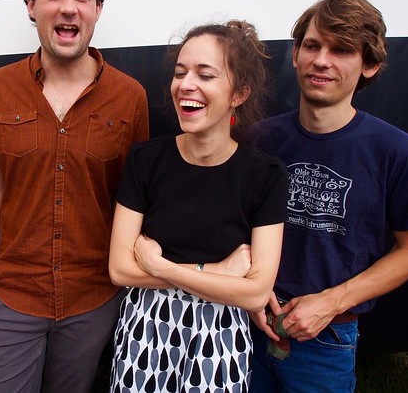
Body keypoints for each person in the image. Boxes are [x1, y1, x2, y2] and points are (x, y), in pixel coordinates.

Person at [0, 0, 149, 392]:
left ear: (98, 9)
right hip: (9, 294)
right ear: (31, 5)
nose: (69, 7)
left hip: (93, 299)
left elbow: (136, 198)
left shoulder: (130, 97)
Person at [248, 0, 408, 392]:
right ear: (295, 54)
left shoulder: (396, 150)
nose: (322, 60)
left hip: (327, 339)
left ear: (370, 64)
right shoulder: (260, 139)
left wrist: (333, 301)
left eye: (342, 50)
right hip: (249, 325)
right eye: (312, 45)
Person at [108, 21, 289, 392]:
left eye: (205, 75)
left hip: (219, 335)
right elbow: (120, 269)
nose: (185, 85)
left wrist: (159, 265)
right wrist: (217, 272)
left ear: (239, 94)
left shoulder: (265, 175)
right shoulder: (146, 160)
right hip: (146, 327)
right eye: (180, 73)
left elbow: (256, 293)